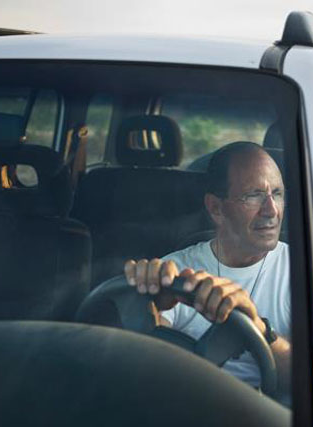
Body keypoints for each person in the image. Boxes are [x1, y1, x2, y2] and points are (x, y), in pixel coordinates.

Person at [124, 141, 291, 394]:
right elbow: (139, 372)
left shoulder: (306, 272)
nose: (271, 210)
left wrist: (259, 329)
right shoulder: (178, 271)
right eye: (254, 195)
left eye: (277, 193)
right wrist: (147, 308)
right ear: (215, 208)